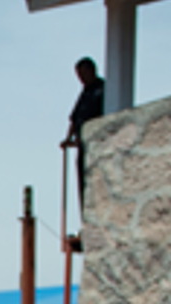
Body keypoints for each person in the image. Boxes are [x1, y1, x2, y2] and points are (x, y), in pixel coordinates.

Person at [64, 57, 106, 209]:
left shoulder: (103, 88)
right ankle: (86, 213)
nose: (81, 79)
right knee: (83, 181)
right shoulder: (85, 92)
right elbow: (75, 118)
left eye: (82, 74)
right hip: (83, 145)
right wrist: (68, 138)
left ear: (91, 70)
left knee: (96, 179)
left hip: (98, 143)